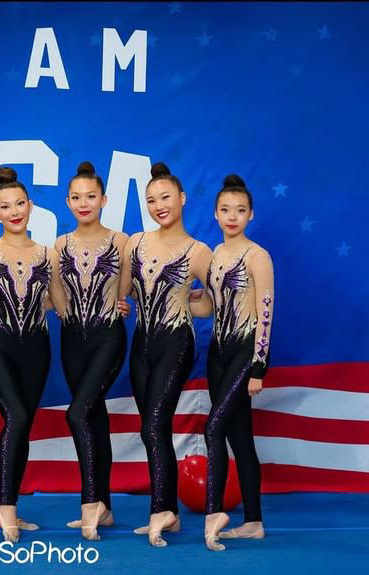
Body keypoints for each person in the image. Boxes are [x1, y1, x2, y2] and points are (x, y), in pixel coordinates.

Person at [0, 167, 66, 542]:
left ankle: (9, 504)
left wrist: (109, 306)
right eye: (5, 206)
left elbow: (60, 304)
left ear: (30, 206)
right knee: (17, 415)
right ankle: (5, 505)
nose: (14, 211)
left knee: (21, 426)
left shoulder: (47, 253)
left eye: (19, 203)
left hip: (36, 349)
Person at [125, 162, 212, 547]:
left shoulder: (197, 250)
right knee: (152, 427)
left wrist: (185, 300)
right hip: (141, 342)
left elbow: (213, 302)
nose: (158, 206)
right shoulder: (136, 242)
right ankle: (168, 512)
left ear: (182, 199)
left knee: (153, 423)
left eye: (165, 198)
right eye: (151, 200)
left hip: (176, 341)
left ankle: (163, 509)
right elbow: (126, 290)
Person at [189, 174, 273, 551]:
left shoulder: (257, 256)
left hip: (243, 352)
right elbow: (209, 306)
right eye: (225, 210)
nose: (232, 216)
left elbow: (265, 314)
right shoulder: (215, 255)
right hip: (218, 354)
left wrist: (258, 367)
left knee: (212, 429)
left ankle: (213, 513)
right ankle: (253, 521)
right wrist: (180, 297)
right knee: (240, 438)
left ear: (251, 214)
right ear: (215, 214)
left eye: (240, 210)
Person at [55, 162, 130, 540]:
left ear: (103, 199)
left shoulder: (121, 241)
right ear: (68, 201)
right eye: (77, 197)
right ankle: (106, 506)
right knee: (93, 417)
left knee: (78, 411)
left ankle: (90, 503)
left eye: (91, 196)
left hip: (108, 337)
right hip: (72, 339)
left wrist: (124, 302)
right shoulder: (59, 245)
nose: (84, 203)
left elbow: (134, 286)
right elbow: (51, 294)